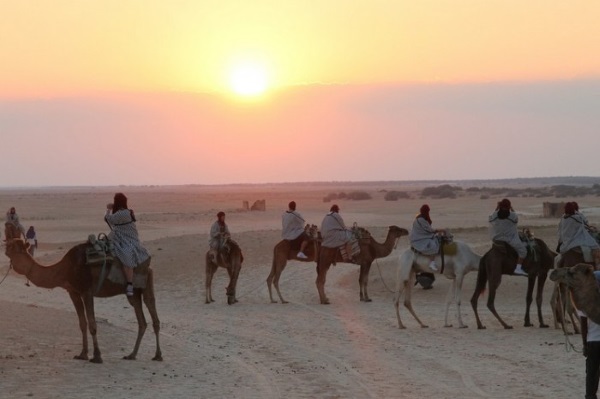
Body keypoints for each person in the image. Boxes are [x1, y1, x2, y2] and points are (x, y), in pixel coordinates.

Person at [104, 193, 150, 297]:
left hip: (127, 240)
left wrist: (108, 209)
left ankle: (129, 284)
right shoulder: (124, 212)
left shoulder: (123, 213)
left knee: (126, 256)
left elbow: (108, 219)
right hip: (119, 237)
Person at [488, 198, 527, 276]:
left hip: (497, 240)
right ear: (509, 207)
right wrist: (511, 208)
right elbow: (516, 218)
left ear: (500, 206)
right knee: (523, 251)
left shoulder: (495, 215)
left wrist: (497, 207)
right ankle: (518, 268)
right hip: (510, 240)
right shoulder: (512, 216)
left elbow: (490, 218)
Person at [558, 202, 600, 268]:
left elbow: (560, 230)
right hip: (577, 239)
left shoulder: (563, 218)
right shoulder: (577, 217)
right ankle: (598, 267)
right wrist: (591, 229)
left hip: (565, 242)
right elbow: (584, 225)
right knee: (596, 247)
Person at [580, 271, 600, 399]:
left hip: (592, 341)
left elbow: (583, 326)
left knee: (591, 373)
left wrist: (584, 344)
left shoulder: (586, 301)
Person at [409, 204, 443, 272]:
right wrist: (437, 230)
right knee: (434, 244)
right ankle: (432, 263)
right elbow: (429, 229)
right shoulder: (421, 219)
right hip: (419, 239)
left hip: (419, 237)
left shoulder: (420, 218)